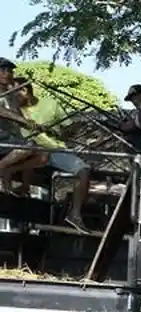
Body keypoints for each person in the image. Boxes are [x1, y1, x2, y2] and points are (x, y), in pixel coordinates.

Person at [19, 77, 93, 227]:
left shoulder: (50, 103)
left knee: (84, 170)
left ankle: (75, 214)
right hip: (31, 150)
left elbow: (69, 127)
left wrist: (61, 133)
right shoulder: (13, 109)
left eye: (15, 94)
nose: (12, 98)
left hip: (56, 149)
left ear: (24, 91)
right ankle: (21, 188)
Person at [0, 66, 48, 195]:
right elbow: (3, 112)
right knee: (28, 146)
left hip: (11, 140)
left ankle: (21, 186)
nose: (7, 74)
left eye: (9, 71)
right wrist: (25, 122)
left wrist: (36, 126)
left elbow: (20, 119)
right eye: (3, 70)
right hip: (2, 140)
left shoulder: (12, 97)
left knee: (43, 155)